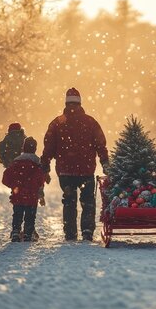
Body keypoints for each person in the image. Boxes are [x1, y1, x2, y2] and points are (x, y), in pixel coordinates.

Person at [41, 87, 109, 241]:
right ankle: (86, 231)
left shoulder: (57, 123)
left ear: (66, 102)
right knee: (88, 202)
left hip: (65, 172)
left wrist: (45, 164)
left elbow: (49, 147)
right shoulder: (90, 122)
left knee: (69, 202)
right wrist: (105, 161)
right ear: (80, 103)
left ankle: (70, 233)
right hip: (86, 170)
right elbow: (100, 145)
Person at [2, 137, 46, 242]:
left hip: (18, 195)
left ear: (23, 148)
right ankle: (28, 233)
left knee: (17, 214)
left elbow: (5, 178)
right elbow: (41, 180)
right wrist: (37, 190)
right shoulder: (37, 164)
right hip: (31, 196)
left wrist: (14, 186)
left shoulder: (16, 163)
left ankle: (16, 232)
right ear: (35, 149)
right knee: (30, 217)